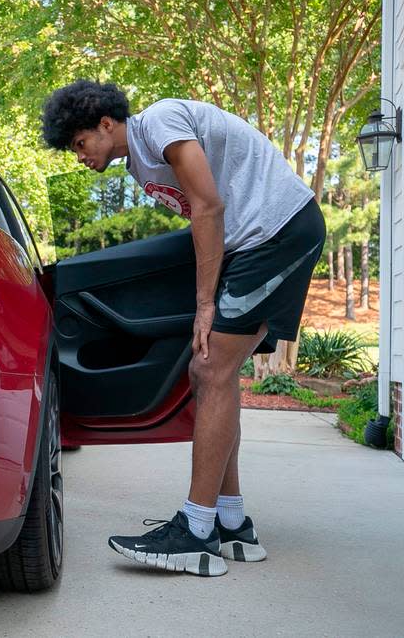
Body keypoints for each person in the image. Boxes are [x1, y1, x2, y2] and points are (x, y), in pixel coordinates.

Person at [41, 80, 325, 577]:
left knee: (211, 369)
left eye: (80, 143)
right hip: (254, 242)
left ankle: (195, 533)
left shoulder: (160, 122)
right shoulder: (140, 161)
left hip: (277, 231)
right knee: (209, 372)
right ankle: (232, 524)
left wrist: (203, 303)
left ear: (106, 124)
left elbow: (209, 207)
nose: (79, 156)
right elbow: (202, 216)